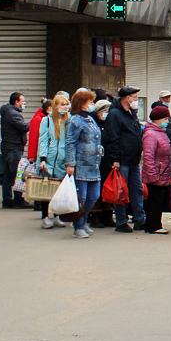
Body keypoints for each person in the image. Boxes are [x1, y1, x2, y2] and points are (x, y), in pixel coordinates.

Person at [103, 85, 146, 233]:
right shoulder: (115, 114)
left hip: (133, 159)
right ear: (127, 98)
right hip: (122, 159)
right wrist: (115, 159)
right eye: (135, 97)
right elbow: (112, 137)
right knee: (120, 191)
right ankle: (121, 221)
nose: (136, 100)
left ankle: (139, 219)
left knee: (137, 190)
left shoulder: (131, 113)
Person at [64, 89, 104, 239]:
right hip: (81, 165)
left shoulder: (90, 119)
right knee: (83, 197)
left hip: (94, 164)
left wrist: (100, 150)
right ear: (81, 104)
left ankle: (83, 220)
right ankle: (78, 225)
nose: (93, 105)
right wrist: (70, 164)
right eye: (90, 102)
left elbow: (96, 139)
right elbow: (70, 143)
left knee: (94, 196)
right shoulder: (74, 121)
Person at [36, 93, 70, 229]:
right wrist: (42, 158)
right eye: (63, 104)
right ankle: (45, 216)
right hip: (50, 159)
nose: (66, 107)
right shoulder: (47, 121)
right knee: (47, 189)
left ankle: (57, 216)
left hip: (63, 160)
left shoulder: (69, 120)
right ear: (55, 106)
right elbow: (43, 140)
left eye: (67, 104)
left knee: (60, 190)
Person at [141, 105, 171, 235]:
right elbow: (148, 156)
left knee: (157, 199)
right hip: (156, 173)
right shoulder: (151, 134)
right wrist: (153, 175)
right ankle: (153, 225)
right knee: (155, 200)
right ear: (157, 120)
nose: (167, 122)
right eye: (165, 119)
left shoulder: (160, 133)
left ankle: (153, 224)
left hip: (162, 172)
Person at [0, 92, 31, 209]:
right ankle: (18, 199)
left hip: (9, 147)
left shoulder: (8, 112)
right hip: (13, 148)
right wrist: (34, 122)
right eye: (22, 101)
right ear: (16, 102)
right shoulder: (13, 114)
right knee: (18, 174)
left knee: (8, 175)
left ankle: (7, 200)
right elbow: (24, 127)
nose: (24, 103)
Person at [87, 96, 115, 228]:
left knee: (108, 188)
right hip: (96, 161)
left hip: (108, 160)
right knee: (96, 189)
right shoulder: (92, 123)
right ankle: (95, 215)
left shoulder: (110, 124)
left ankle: (107, 214)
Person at [26, 94, 55, 219]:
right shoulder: (40, 119)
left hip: (51, 157)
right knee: (43, 182)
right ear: (49, 108)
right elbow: (34, 139)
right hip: (42, 155)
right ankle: (40, 206)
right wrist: (32, 156)